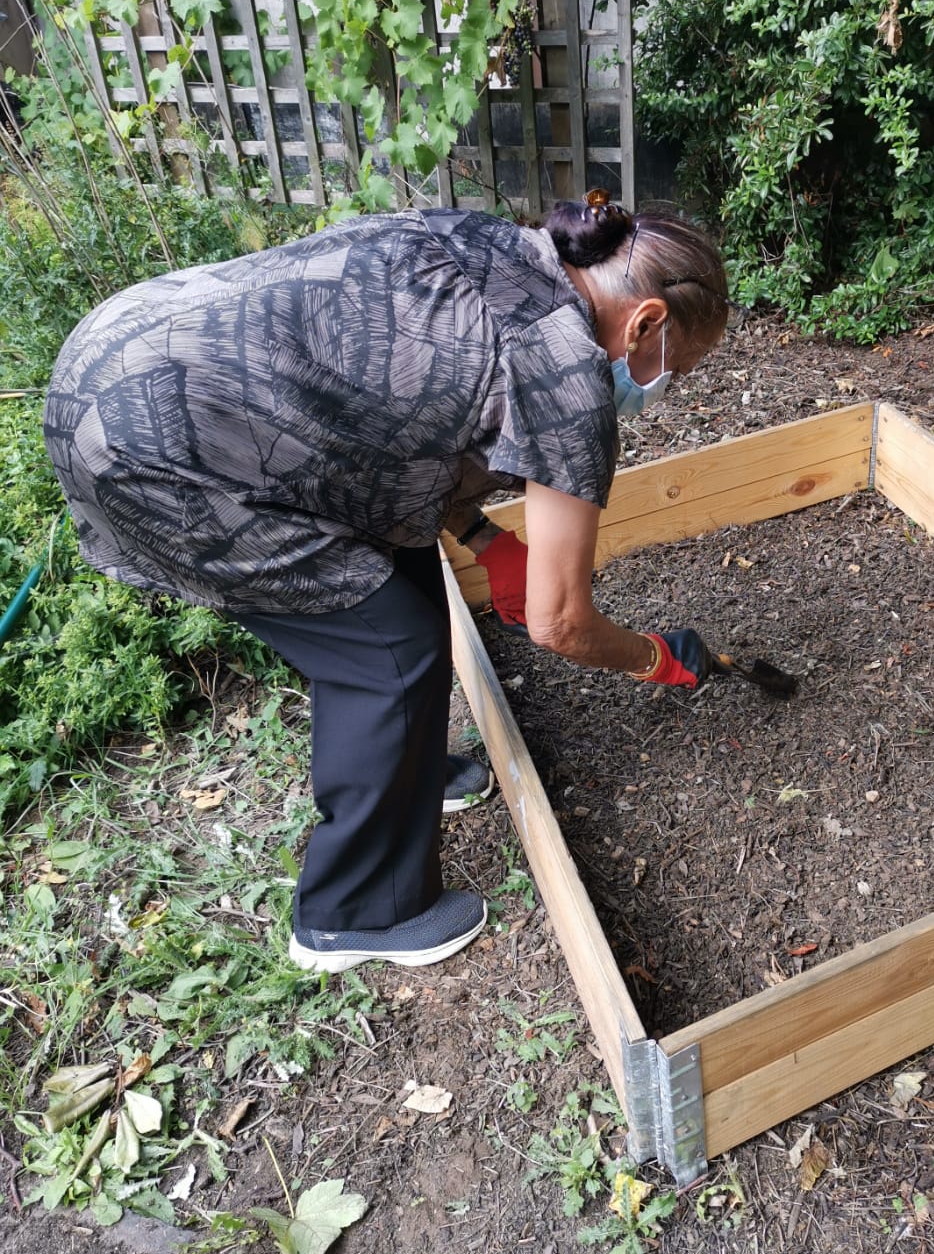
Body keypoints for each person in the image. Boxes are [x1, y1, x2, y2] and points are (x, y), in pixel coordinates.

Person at [42, 196, 731, 973]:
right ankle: (353, 913)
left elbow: (393, 421)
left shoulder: (500, 246)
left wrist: (483, 539)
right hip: (159, 453)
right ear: (641, 324)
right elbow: (560, 623)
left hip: (125, 345)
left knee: (398, 584)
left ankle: (409, 774)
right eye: (676, 366)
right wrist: (652, 658)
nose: (663, 385)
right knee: (387, 653)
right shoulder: (567, 373)